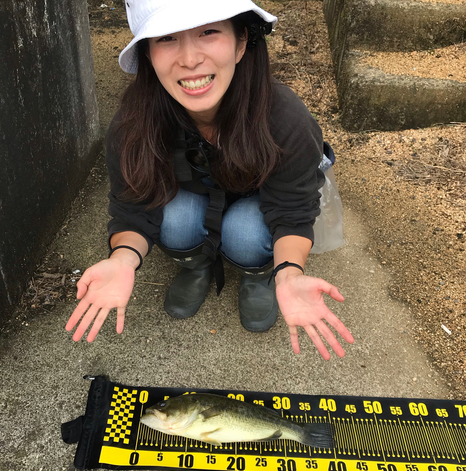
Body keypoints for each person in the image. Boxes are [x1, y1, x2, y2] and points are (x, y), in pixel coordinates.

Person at [66, 0, 354, 360]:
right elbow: (132, 208)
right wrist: (123, 258)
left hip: (256, 202)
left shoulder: (285, 117)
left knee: (246, 232)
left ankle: (259, 275)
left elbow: (292, 212)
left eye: (208, 32)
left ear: (239, 42)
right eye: (166, 38)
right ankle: (195, 265)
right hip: (192, 195)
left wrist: (290, 273)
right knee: (174, 218)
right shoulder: (132, 124)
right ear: (148, 55)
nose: (189, 59)